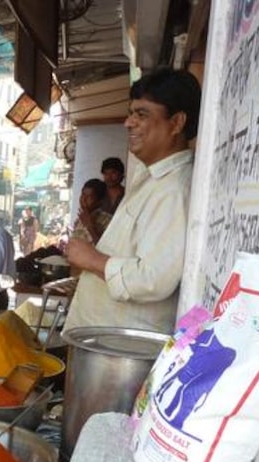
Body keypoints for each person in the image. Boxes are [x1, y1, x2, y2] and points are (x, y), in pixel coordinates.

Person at [63, 67, 201, 335]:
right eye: (130, 113)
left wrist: (92, 260)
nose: (128, 123)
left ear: (176, 123)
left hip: (123, 354)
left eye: (142, 114)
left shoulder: (174, 189)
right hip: (105, 344)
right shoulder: (150, 178)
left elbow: (154, 278)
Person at [71, 178, 111, 244]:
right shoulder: (79, 220)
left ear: (100, 201)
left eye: (89, 197)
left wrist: (90, 226)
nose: (83, 199)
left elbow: (105, 248)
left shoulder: (107, 220)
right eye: (83, 194)